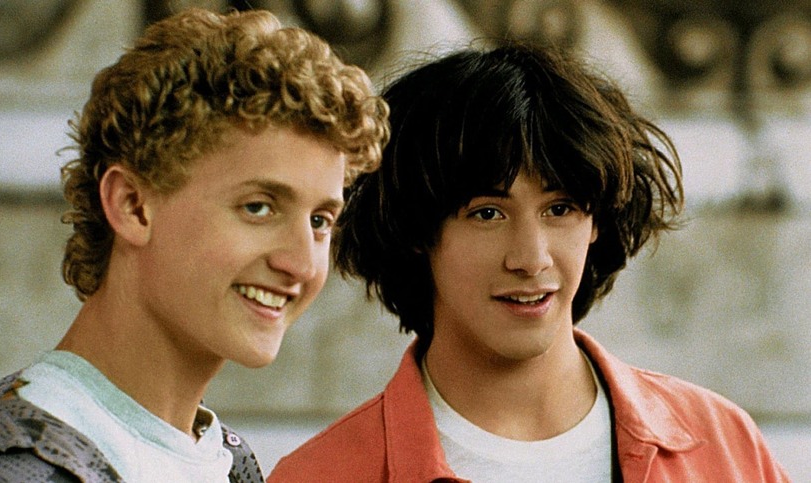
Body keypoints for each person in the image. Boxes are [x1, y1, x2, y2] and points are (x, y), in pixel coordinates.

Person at [268, 42, 790, 482]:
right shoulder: (321, 475)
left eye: (560, 209)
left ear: (597, 222)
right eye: (487, 213)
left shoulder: (724, 446)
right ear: (417, 230)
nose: (531, 258)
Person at [0, 7, 388, 483]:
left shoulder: (226, 462)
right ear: (133, 206)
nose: (301, 264)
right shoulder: (18, 472)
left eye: (320, 221)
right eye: (258, 207)